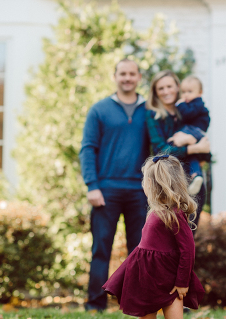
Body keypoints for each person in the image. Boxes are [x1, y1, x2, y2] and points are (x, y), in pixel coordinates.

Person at [79, 59, 150, 312]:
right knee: (101, 250)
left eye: (132, 73)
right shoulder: (99, 110)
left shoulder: (149, 110)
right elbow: (88, 149)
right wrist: (92, 185)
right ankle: (95, 305)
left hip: (139, 192)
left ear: (139, 77)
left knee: (141, 252)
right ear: (115, 76)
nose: (127, 78)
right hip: (105, 190)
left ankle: (137, 305)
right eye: (123, 74)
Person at [102, 154, 205, 318]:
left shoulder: (174, 214)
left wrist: (182, 283)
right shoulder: (155, 212)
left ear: (149, 184)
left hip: (170, 281)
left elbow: (188, 250)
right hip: (147, 280)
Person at [145, 70, 211, 230]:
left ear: (177, 88)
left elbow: (205, 149)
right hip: (169, 182)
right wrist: (192, 147)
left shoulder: (187, 111)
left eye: (169, 86)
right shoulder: (154, 116)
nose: (166, 91)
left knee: (190, 232)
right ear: (155, 92)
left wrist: (193, 142)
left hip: (194, 178)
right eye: (161, 88)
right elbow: (161, 150)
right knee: (171, 233)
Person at [174, 75, 211, 195]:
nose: (186, 95)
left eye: (190, 92)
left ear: (200, 93)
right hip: (195, 131)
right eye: (183, 92)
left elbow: (188, 114)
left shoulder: (197, 103)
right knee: (192, 156)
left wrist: (179, 105)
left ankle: (178, 138)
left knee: (178, 136)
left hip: (195, 131)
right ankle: (196, 175)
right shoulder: (193, 102)